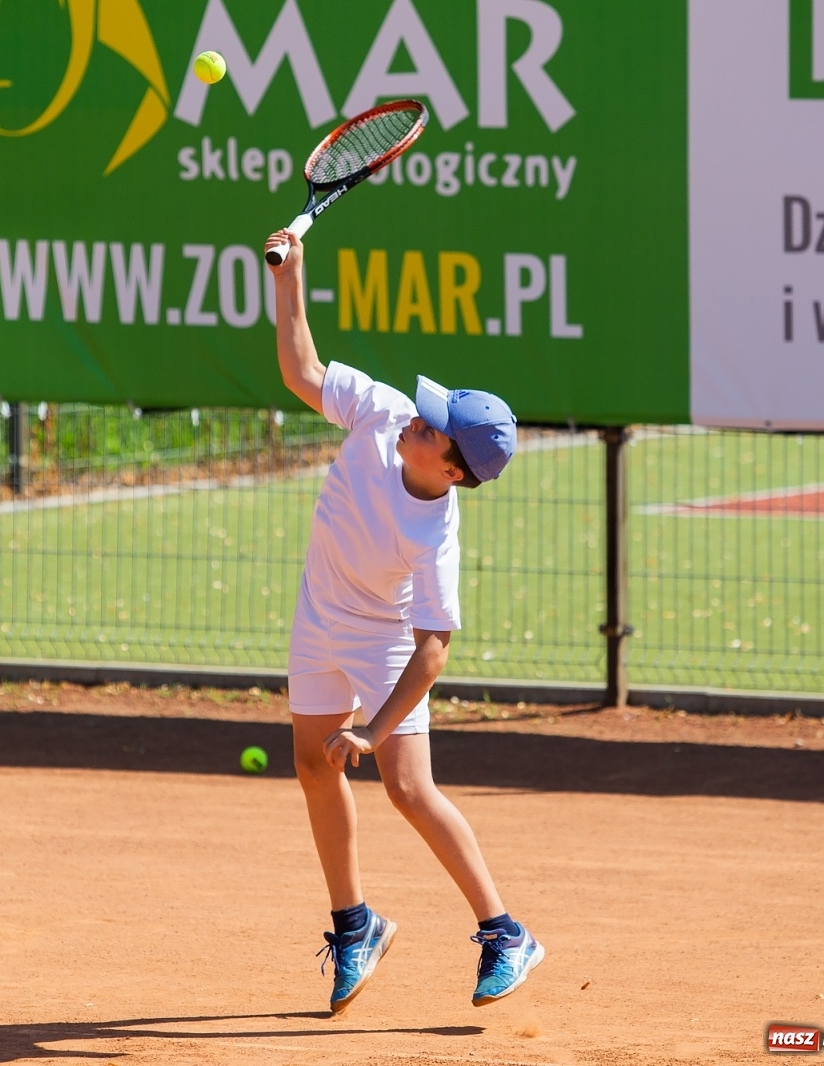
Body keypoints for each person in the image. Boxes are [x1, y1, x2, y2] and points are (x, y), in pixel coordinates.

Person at [264, 229, 541, 1015]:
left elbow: (432, 651)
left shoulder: (433, 538)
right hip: (320, 613)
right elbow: (303, 371)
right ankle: (356, 926)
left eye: (435, 427)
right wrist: (293, 279)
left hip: (385, 641)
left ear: (452, 471)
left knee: (409, 788)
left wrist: (375, 731)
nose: (418, 420)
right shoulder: (381, 415)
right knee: (313, 762)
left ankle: (505, 932)